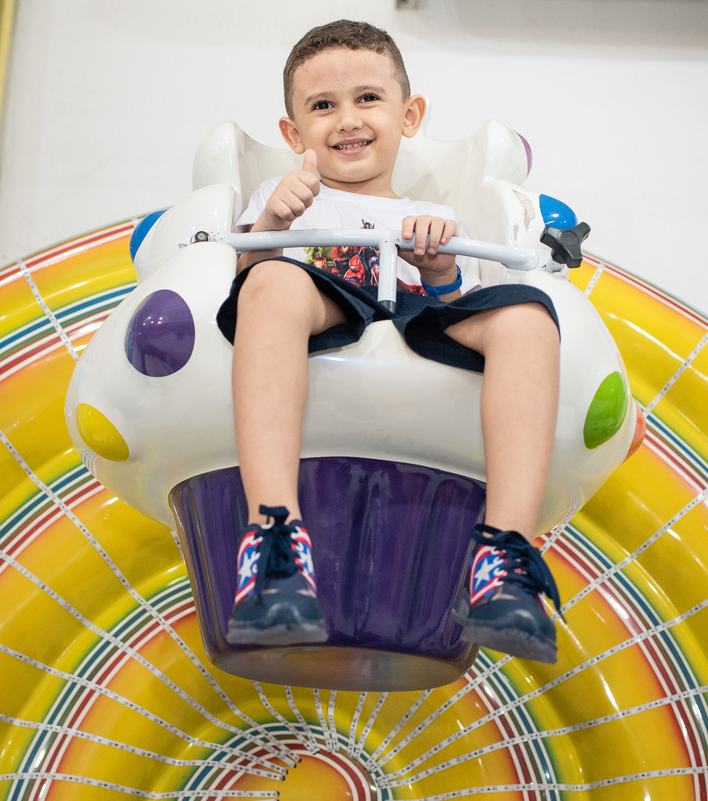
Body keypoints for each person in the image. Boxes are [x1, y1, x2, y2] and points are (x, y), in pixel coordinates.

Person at [214, 20, 563, 664]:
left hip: (410, 312)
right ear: (293, 134)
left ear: (409, 116)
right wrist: (273, 223)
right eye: (323, 105)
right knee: (271, 280)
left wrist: (440, 270)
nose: (348, 119)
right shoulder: (282, 199)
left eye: (368, 98)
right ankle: (274, 538)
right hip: (320, 303)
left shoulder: (437, 219)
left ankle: (505, 557)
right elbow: (239, 292)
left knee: (528, 316)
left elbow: (457, 315)